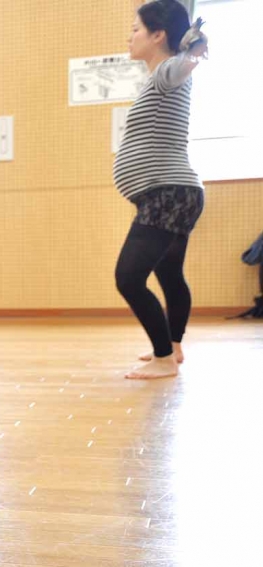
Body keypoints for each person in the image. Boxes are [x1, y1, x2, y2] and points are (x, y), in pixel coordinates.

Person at [113, 0, 209, 380]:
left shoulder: (167, 71)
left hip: (167, 193)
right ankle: (174, 346)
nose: (130, 36)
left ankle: (164, 358)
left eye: (136, 29)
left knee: (129, 278)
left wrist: (193, 49)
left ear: (158, 35)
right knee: (169, 274)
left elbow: (180, 66)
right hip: (173, 193)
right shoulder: (160, 78)